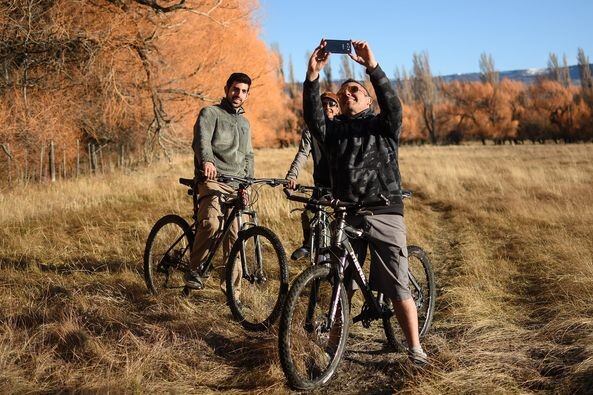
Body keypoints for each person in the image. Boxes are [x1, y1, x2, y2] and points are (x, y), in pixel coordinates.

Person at [303, 39, 428, 365]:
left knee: (397, 283)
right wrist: (312, 76)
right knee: (341, 281)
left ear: (368, 98)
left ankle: (414, 347)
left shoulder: (383, 125)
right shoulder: (334, 131)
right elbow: (313, 119)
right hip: (347, 213)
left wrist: (372, 67)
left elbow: (394, 105)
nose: (347, 95)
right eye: (343, 93)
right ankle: (333, 346)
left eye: (355, 91)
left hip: (384, 209)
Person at [185, 72, 254, 292]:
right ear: (227, 89)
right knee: (212, 223)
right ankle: (194, 270)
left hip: (235, 183)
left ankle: (233, 292)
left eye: (244, 91)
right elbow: (202, 140)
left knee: (235, 236)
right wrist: (207, 162)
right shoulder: (210, 113)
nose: (239, 94)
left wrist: (248, 183)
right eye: (235, 89)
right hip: (212, 179)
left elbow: (248, 156)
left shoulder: (244, 123)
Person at [285, 91, 341, 260]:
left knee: (339, 224)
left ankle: (337, 258)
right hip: (321, 184)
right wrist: (291, 176)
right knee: (309, 214)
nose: (328, 107)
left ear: (338, 109)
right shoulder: (311, 130)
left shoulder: (342, 128)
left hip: (341, 185)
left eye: (332, 104)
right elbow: (302, 154)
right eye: (324, 104)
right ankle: (309, 245)